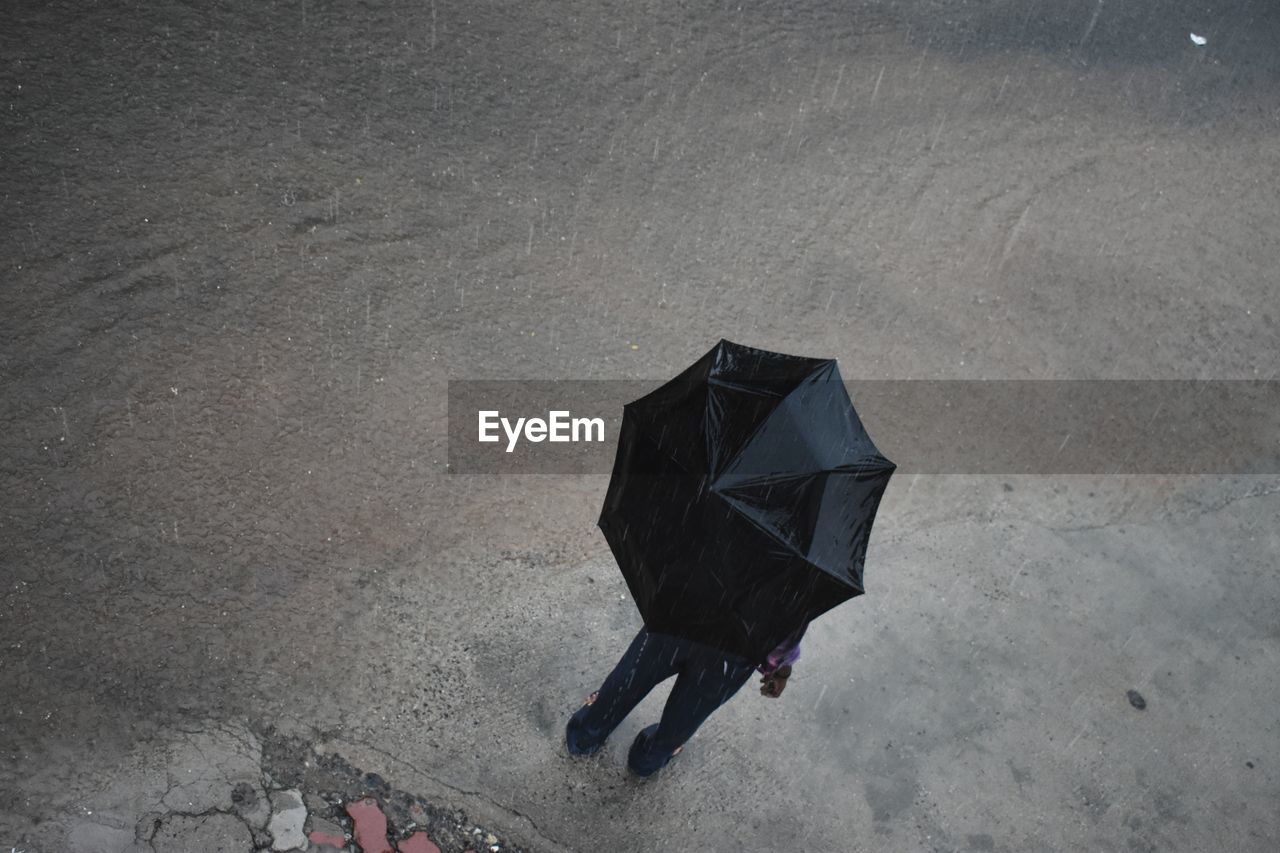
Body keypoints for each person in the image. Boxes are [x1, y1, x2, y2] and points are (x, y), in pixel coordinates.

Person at [564, 619, 810, 777]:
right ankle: (646, 760)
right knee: (687, 714)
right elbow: (785, 639)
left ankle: (585, 735)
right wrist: (781, 671)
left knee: (630, 679)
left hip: (679, 617)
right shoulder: (807, 571)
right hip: (732, 654)